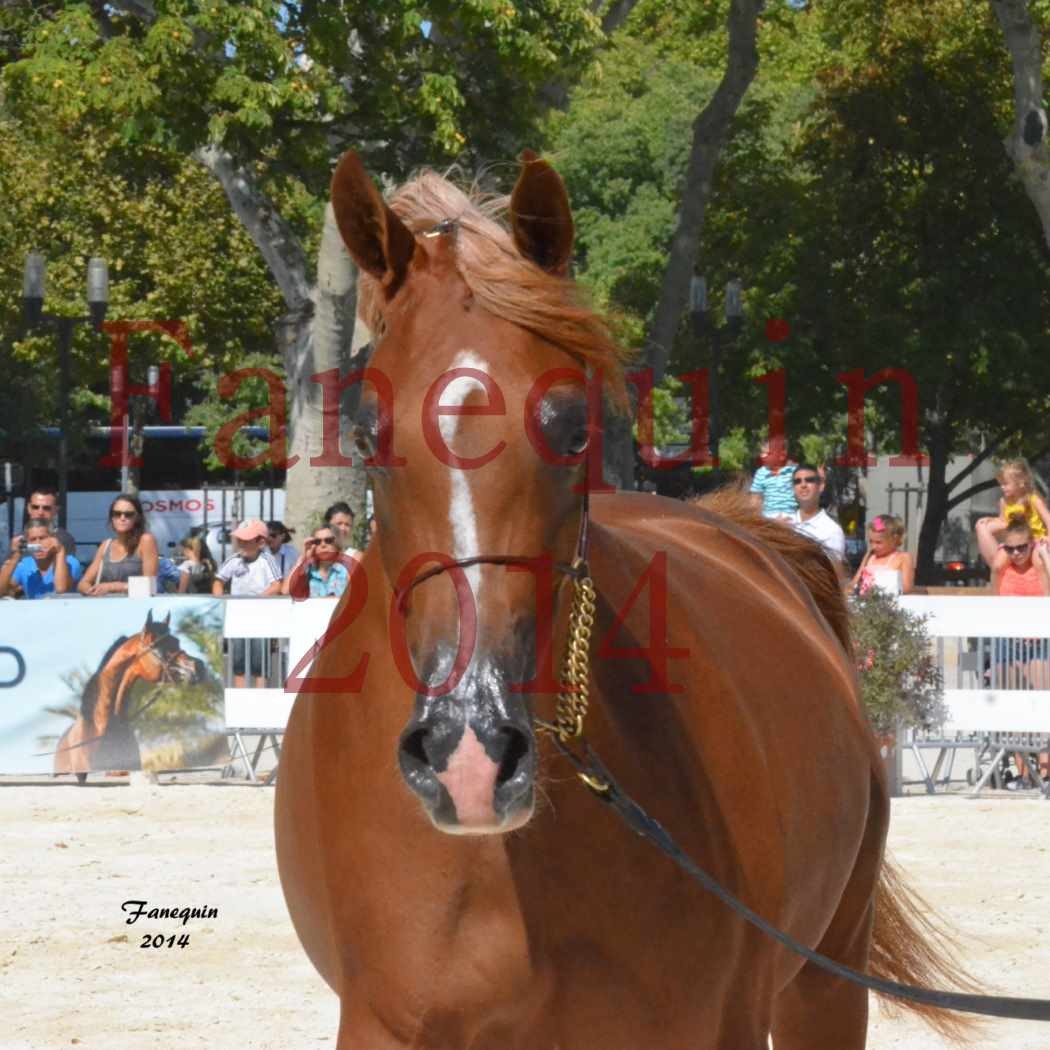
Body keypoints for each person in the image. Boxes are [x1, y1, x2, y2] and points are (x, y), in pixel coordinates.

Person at [981, 514, 1050, 788]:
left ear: (1031, 545)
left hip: (1038, 643)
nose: (1017, 553)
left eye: (1022, 546)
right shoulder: (1001, 568)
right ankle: (1022, 771)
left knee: (1042, 702)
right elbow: (983, 528)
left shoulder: (1039, 566)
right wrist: (1005, 524)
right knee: (1014, 706)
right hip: (1009, 643)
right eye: (1010, 548)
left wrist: (1042, 551)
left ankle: (1045, 768)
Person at [212, 519, 282, 688]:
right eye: (239, 539)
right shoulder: (233, 560)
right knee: (239, 661)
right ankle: (239, 698)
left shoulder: (267, 560)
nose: (240, 543)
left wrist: (256, 601)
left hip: (261, 618)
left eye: (246, 540)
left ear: (261, 542)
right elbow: (218, 581)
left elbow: (277, 585)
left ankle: (260, 699)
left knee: (260, 662)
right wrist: (221, 600)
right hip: (238, 617)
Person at [975, 459, 1050, 578]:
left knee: (1038, 561)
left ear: (1020, 483)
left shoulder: (1033, 499)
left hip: (1035, 541)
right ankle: (1002, 581)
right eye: (1001, 484)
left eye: (1005, 484)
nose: (1002, 487)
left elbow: (1048, 520)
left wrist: (1048, 538)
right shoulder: (1004, 501)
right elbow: (1004, 521)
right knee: (997, 564)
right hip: (1015, 543)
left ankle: (1045, 594)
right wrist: (989, 519)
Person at [78, 494, 159, 596]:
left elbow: (149, 585)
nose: (122, 518)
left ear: (137, 517)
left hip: (136, 608)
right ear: (112, 517)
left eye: (128, 514)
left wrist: (112, 587)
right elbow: (83, 583)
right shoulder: (106, 545)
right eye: (117, 513)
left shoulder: (146, 541)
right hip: (106, 608)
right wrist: (91, 590)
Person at [0, 518, 82, 598]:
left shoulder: (71, 562)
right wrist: (16, 555)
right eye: (33, 539)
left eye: (42, 538)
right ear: (27, 542)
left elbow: (61, 589)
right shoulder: (24, 565)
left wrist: (60, 550)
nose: (38, 543)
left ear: (53, 538)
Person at [788, 463, 846, 564]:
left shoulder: (832, 531)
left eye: (809, 480)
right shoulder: (782, 523)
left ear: (821, 486)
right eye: (797, 481)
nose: (803, 485)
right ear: (793, 488)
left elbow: (834, 573)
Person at [850, 514, 915, 596]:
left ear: (893, 540)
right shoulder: (870, 556)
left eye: (878, 542)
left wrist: (879, 591)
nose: (873, 546)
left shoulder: (903, 557)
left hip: (890, 603)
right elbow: (855, 581)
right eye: (871, 541)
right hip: (866, 602)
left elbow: (907, 587)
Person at [283, 526, 356, 598]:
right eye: (317, 542)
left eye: (328, 540)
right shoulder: (306, 571)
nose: (323, 545)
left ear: (337, 543)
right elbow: (285, 591)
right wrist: (302, 559)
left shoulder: (347, 570)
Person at [749, 444, 798, 520]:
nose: (763, 456)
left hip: (791, 515)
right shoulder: (761, 472)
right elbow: (755, 499)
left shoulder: (793, 470)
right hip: (768, 517)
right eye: (763, 453)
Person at [22, 487, 77, 555]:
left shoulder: (64, 538)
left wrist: (20, 547)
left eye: (46, 508)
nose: (40, 512)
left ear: (56, 510)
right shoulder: (20, 537)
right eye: (35, 507)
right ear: (29, 508)